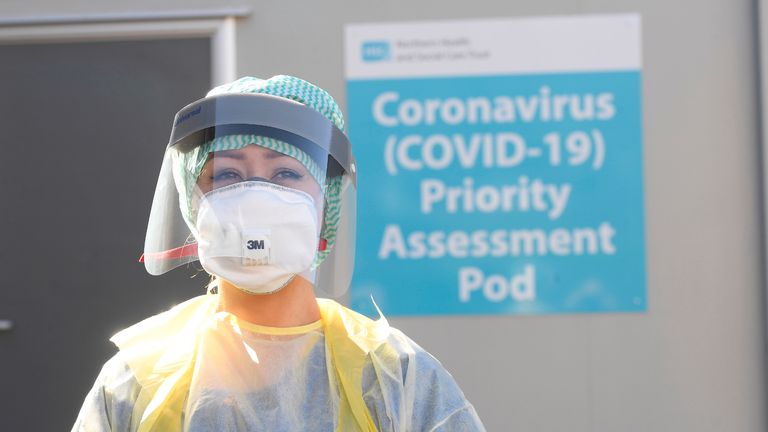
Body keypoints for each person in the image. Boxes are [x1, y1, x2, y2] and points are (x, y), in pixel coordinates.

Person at [72, 75, 486, 432]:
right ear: (193, 207)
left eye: (286, 173)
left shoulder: (392, 374)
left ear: (328, 208)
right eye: (227, 175)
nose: (255, 196)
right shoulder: (139, 377)